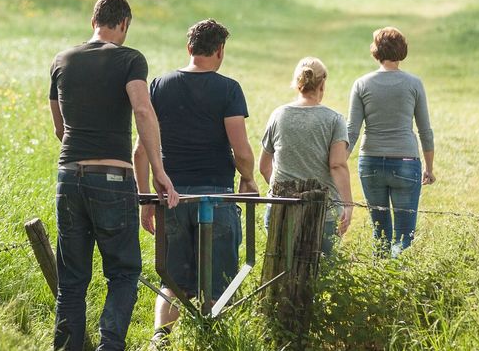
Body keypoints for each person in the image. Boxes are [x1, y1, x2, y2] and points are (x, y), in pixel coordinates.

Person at [50, 0, 179, 351]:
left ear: (94, 21)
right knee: (123, 272)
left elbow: (59, 128)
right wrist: (159, 171)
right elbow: (141, 110)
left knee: (72, 279)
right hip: (112, 177)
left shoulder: (62, 61)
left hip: (69, 175)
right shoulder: (129, 59)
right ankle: (110, 346)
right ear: (123, 24)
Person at [134, 19, 255, 344]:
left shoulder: (160, 86)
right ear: (220, 51)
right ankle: (212, 339)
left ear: (189, 48)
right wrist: (248, 178)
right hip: (216, 196)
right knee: (219, 281)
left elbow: (140, 151)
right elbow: (241, 150)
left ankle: (161, 338)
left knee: (172, 280)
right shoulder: (228, 89)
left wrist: (145, 198)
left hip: (172, 198)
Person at [347, 26, 435, 257]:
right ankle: (399, 280)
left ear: (376, 52)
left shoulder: (361, 84)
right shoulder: (414, 84)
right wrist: (429, 167)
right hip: (406, 161)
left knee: (380, 233)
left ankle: (380, 282)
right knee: (405, 235)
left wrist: (338, 162)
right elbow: (425, 129)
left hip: (370, 162)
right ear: (402, 51)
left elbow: (352, 130)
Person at [258, 57, 354, 256]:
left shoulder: (278, 115)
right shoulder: (334, 119)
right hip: (322, 213)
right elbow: (337, 165)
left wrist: (280, 188)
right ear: (322, 84)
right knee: (323, 271)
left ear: (297, 83)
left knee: (281, 268)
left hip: (281, 208)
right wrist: (348, 204)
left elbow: (264, 166)